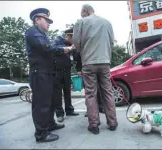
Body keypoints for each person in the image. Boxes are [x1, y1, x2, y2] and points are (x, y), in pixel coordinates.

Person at [25, 8, 72, 142]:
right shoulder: (33, 32)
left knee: (51, 102)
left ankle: (50, 124)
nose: (49, 23)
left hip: (47, 73)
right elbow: (46, 49)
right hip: (40, 74)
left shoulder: (42, 34)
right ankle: (41, 134)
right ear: (37, 19)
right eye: (46, 20)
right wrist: (63, 50)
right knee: (42, 104)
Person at [73, 4, 118, 135]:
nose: (81, 16)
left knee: (91, 93)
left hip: (88, 62)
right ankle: (112, 122)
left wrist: (84, 51)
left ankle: (94, 125)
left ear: (85, 11)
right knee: (108, 92)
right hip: (104, 61)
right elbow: (111, 43)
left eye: (82, 13)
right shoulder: (107, 22)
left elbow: (76, 44)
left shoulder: (80, 23)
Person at [53, 28, 79, 123]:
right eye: (73, 39)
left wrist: (75, 50)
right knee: (58, 93)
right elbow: (54, 50)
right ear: (69, 36)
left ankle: (69, 110)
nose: (74, 41)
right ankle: (59, 114)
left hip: (67, 70)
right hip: (57, 70)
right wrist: (67, 49)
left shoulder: (71, 45)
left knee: (67, 91)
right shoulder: (58, 40)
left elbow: (75, 57)